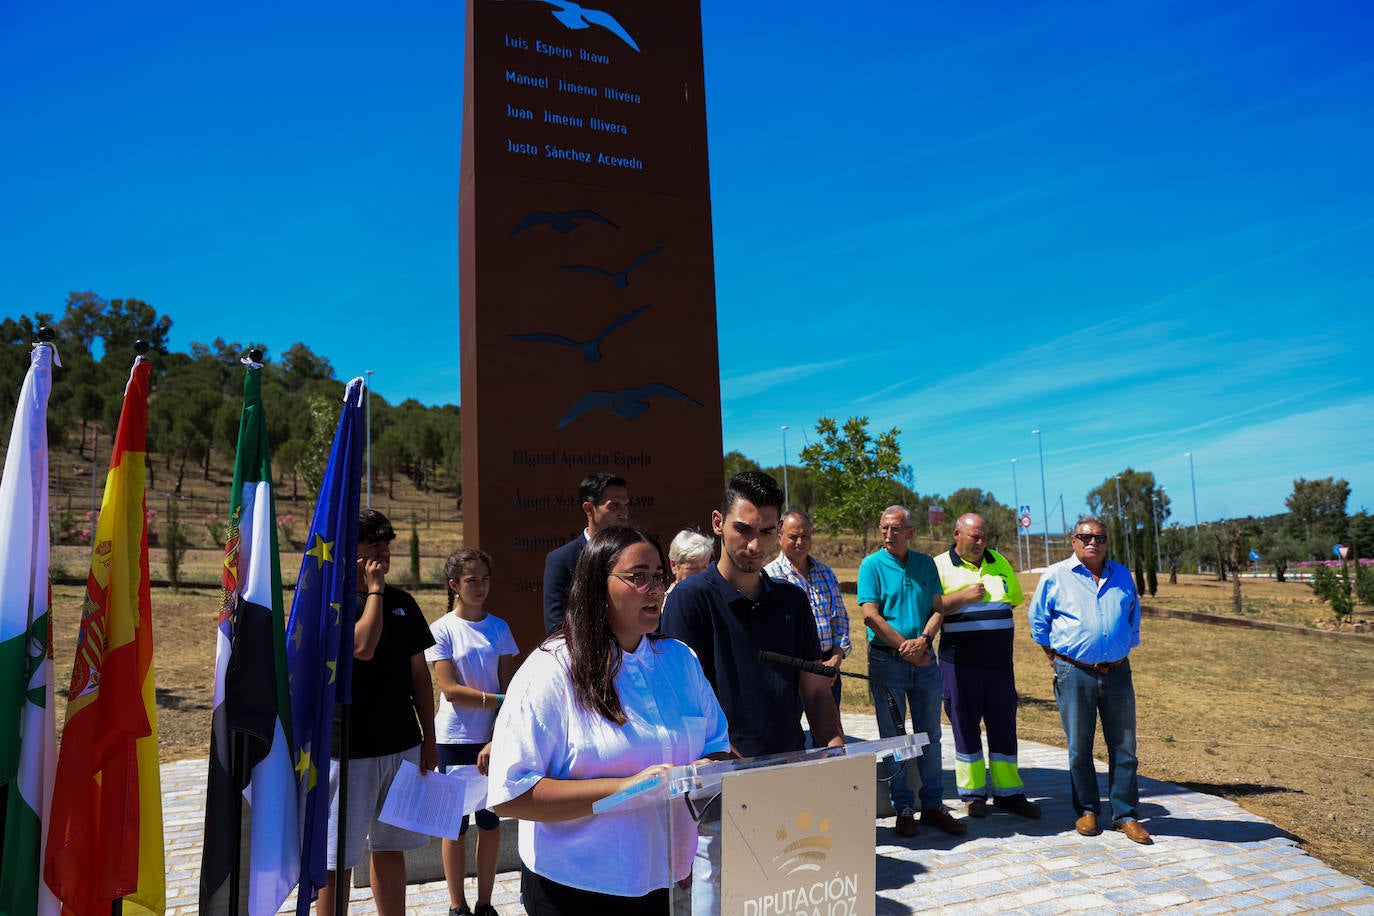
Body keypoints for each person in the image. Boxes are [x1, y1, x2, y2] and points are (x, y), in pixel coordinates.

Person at [487, 526, 731, 915]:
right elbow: (511, 793)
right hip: (573, 888)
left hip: (662, 882)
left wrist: (703, 770)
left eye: (658, 577)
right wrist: (625, 788)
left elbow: (718, 747)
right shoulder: (551, 670)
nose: (654, 588)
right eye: (637, 577)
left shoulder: (681, 660)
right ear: (597, 586)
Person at [661, 471, 844, 914]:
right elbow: (687, 707)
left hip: (787, 777)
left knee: (781, 899)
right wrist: (736, 767)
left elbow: (817, 693)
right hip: (718, 790)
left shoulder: (792, 602)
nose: (754, 545)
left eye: (766, 532)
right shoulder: (689, 600)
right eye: (743, 529)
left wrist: (836, 755)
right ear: (718, 522)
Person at [318, 509, 438, 916]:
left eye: (387, 546)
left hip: (401, 746)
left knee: (390, 849)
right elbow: (362, 648)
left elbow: (420, 677)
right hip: (347, 751)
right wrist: (374, 591)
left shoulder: (403, 602)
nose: (383, 555)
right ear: (350, 551)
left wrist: (430, 742)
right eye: (373, 546)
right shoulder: (329, 601)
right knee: (336, 861)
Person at [1028, 515, 1151, 845]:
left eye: (1099, 537)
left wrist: (1121, 646)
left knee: (1125, 747)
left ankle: (1125, 815)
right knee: (1079, 747)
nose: (1092, 542)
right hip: (1074, 671)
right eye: (1085, 537)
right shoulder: (1055, 576)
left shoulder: (1122, 574)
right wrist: (1054, 658)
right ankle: (1086, 810)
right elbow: (1038, 622)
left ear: (1107, 541)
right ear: (1073, 541)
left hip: (1118, 671)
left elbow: (1132, 616)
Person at [858, 505, 964, 839]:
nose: (889, 534)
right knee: (895, 737)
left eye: (896, 528)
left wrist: (924, 641)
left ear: (911, 532)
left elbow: (938, 608)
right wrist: (906, 647)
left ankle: (933, 805)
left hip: (924, 660)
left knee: (930, 734)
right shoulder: (871, 565)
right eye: (884, 528)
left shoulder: (925, 564)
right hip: (887, 661)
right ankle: (903, 806)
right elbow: (871, 615)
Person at [427, 548, 521, 916]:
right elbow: (450, 689)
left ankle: (485, 903)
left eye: (485, 579)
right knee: (454, 827)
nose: (480, 587)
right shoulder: (442, 630)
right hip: (453, 740)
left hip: (491, 738)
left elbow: (508, 684)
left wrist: (496, 735)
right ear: (454, 585)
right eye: (471, 580)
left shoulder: (500, 628)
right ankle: (456, 905)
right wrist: (497, 698)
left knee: (490, 821)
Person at [933, 513, 1040, 819]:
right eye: (973, 537)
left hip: (999, 667)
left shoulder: (1001, 563)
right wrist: (963, 597)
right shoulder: (940, 565)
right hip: (959, 665)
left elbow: (1014, 601)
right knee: (965, 727)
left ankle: (1009, 794)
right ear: (957, 534)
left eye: (983, 536)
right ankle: (973, 795)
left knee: (1004, 726)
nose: (980, 542)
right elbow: (930, 604)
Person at [764, 509, 851, 707]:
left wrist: (836, 658)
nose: (800, 542)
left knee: (828, 733)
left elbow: (840, 620)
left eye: (805, 536)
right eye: (793, 537)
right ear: (779, 537)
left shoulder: (825, 573)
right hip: (789, 670)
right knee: (789, 734)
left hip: (827, 668)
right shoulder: (769, 576)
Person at [543, 472, 630, 634]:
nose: (623, 513)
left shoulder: (633, 555)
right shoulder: (562, 560)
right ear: (589, 508)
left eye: (625, 505)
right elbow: (555, 625)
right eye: (614, 505)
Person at [666, 528, 713, 592]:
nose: (701, 575)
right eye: (693, 568)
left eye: (705, 568)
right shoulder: (668, 600)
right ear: (674, 566)